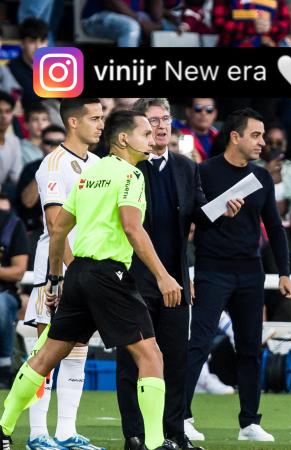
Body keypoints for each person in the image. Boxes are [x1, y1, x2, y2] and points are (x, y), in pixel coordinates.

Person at [0, 109, 182, 450]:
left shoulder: (91, 173)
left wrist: (55, 279)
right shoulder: (130, 176)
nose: (153, 137)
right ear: (125, 139)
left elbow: (58, 229)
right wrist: (163, 276)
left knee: (46, 355)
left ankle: (3, 425)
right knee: (151, 355)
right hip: (109, 275)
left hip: (79, 273)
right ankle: (157, 443)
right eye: (145, 132)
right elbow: (132, 227)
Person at [118, 98, 240, 450]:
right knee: (133, 361)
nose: (161, 126)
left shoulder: (186, 167)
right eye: (153, 120)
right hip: (132, 278)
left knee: (176, 358)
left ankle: (174, 433)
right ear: (138, 127)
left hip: (174, 277)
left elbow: (197, 216)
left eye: (166, 118)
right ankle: (135, 435)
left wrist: (222, 209)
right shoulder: (127, 167)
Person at [185, 108, 291, 443]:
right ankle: (181, 416)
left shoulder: (261, 178)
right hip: (212, 269)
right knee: (199, 345)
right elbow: (190, 221)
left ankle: (250, 422)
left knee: (250, 349)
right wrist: (219, 210)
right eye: (256, 135)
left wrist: (284, 274)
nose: (263, 142)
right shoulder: (203, 171)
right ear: (235, 136)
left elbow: (275, 229)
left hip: (251, 272)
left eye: (262, 136)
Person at [22, 98, 103, 450]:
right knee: (46, 352)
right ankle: (37, 432)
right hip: (56, 271)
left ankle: (67, 432)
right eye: (95, 118)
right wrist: (73, 269)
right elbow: (56, 226)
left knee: (78, 350)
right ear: (73, 122)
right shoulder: (53, 164)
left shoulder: (99, 164)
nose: (101, 125)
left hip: (86, 269)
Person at [0, 196, 28, 387]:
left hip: (4, 292)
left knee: (0, 304)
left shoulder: (12, 224)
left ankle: (5, 364)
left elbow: (19, 270)